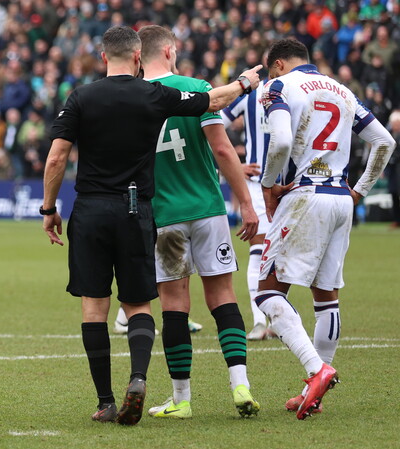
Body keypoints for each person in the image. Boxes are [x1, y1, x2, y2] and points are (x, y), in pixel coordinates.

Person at [41, 25, 262, 425]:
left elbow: (56, 159)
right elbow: (214, 103)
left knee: (98, 307)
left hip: (96, 210)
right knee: (145, 303)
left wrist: (48, 208)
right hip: (141, 208)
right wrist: (245, 82)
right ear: (139, 57)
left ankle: (114, 400)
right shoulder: (158, 94)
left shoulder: (80, 97)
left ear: (104, 57)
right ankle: (148, 378)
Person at [256, 39, 394, 419]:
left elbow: (282, 140)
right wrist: (359, 191)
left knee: (267, 293)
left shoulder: (279, 86)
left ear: (279, 64)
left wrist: (269, 185)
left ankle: (317, 370)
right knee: (326, 297)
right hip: (339, 199)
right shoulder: (343, 91)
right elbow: (385, 141)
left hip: (304, 196)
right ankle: (312, 392)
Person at [133, 25, 261, 420]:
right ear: (170, 51)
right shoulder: (198, 88)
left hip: (164, 217)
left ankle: (181, 399)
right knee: (223, 295)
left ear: (139, 57)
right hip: (208, 210)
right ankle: (240, 386)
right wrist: (245, 202)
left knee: (174, 304)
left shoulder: (134, 98)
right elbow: (222, 149)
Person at [222, 72, 279, 341]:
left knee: (281, 255)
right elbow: (215, 123)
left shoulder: (298, 90)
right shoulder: (250, 94)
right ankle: (259, 321)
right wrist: (236, 164)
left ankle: (278, 319)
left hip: (288, 186)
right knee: (259, 250)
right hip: (257, 184)